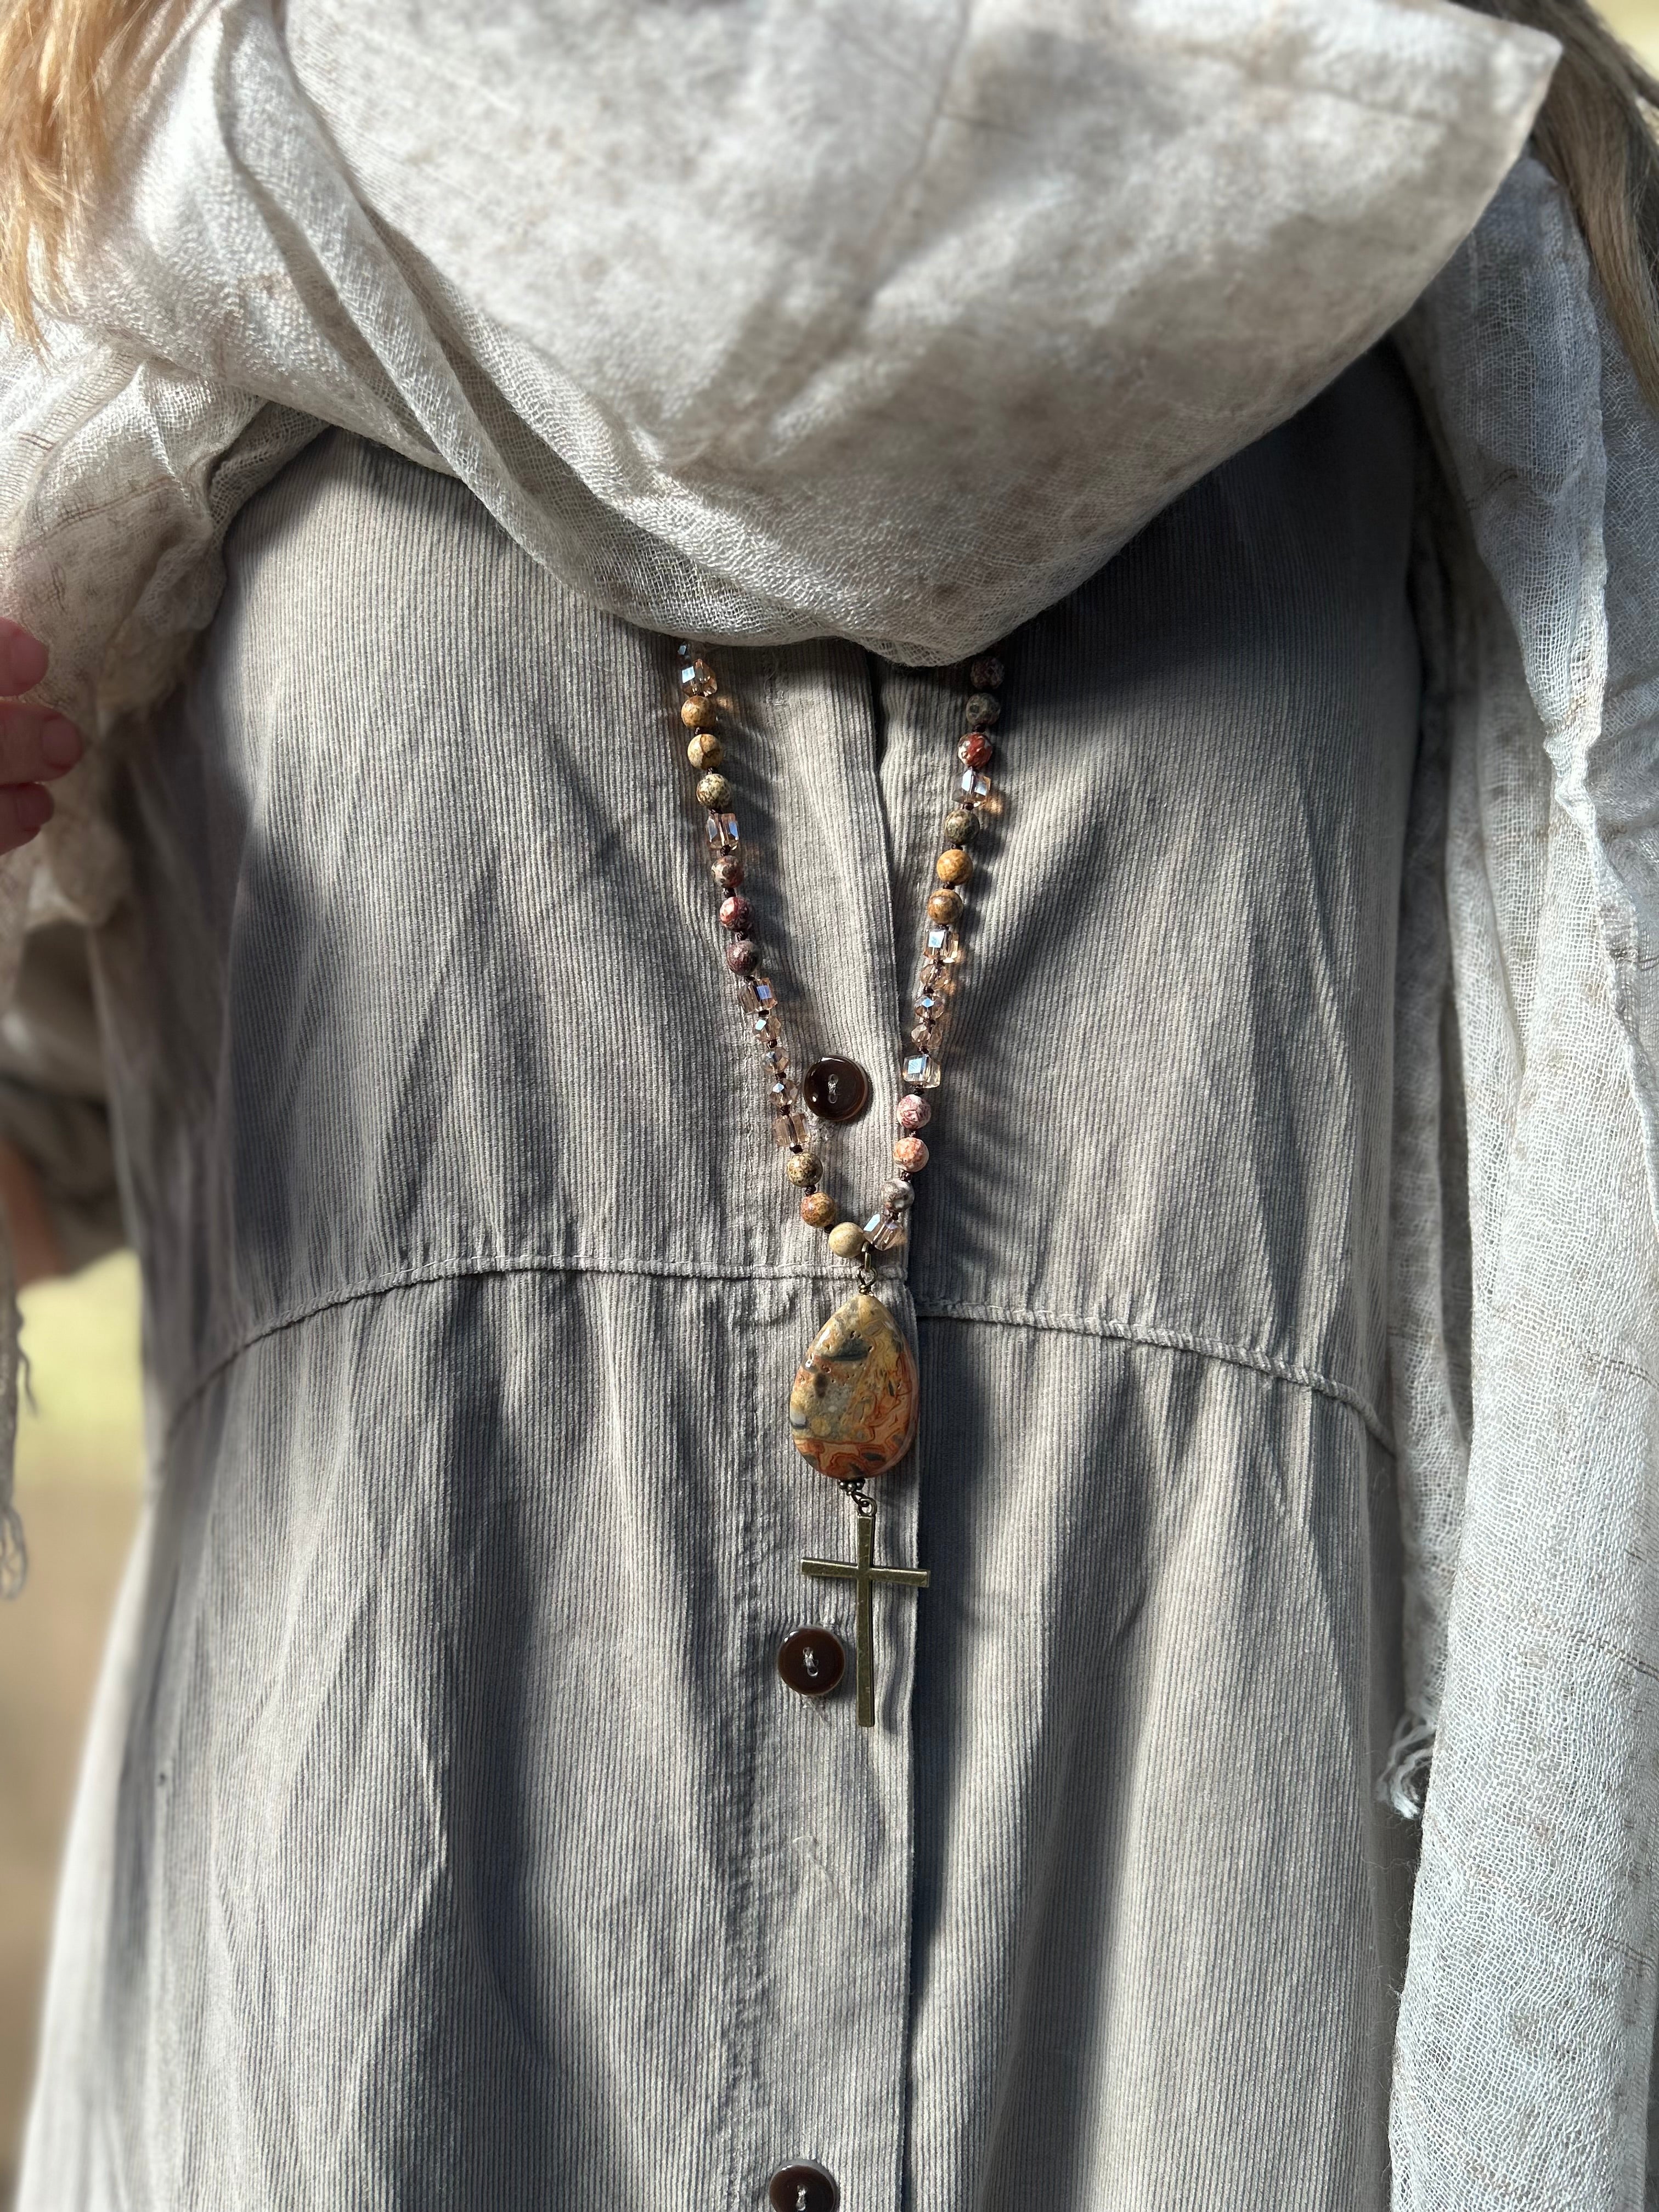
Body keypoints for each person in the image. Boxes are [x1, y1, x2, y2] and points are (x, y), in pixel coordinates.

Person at [0, 1, 1655, 2205]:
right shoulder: (119, 209)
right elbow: (43, 1151)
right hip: (368, 2036)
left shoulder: (1443, 199)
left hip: (1195, 2039)